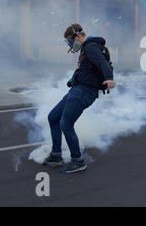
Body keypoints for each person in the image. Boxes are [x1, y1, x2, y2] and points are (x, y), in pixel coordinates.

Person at [43, 23, 115, 173]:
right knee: (53, 117)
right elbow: (86, 70)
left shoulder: (90, 47)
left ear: (77, 36)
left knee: (66, 123)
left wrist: (109, 78)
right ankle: (56, 156)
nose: (69, 44)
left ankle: (78, 161)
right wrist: (73, 79)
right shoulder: (86, 49)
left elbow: (102, 63)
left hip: (84, 91)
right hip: (77, 89)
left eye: (69, 40)